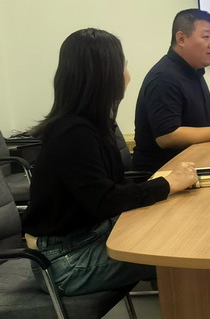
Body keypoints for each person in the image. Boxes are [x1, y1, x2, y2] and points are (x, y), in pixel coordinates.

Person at [21, 28, 199, 296]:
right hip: (64, 261)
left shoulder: (93, 123)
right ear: (106, 74)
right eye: (123, 65)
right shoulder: (73, 133)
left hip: (91, 235)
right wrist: (167, 184)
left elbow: (110, 189)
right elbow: (105, 200)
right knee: (183, 250)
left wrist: (165, 183)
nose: (128, 74)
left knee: (181, 226)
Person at [133, 9, 210, 172]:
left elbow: (190, 110)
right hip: (165, 173)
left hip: (195, 162)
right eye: (206, 37)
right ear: (181, 39)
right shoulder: (163, 78)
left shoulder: (192, 70)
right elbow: (167, 136)